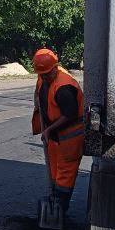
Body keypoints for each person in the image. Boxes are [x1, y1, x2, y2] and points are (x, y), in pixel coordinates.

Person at [32, 48, 85, 214]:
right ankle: (54, 201)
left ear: (56, 67)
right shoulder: (42, 77)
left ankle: (61, 208)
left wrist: (49, 130)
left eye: (48, 73)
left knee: (64, 175)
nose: (46, 77)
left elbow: (69, 115)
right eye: (42, 74)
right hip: (55, 136)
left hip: (70, 137)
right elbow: (40, 97)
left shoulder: (64, 87)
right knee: (54, 171)